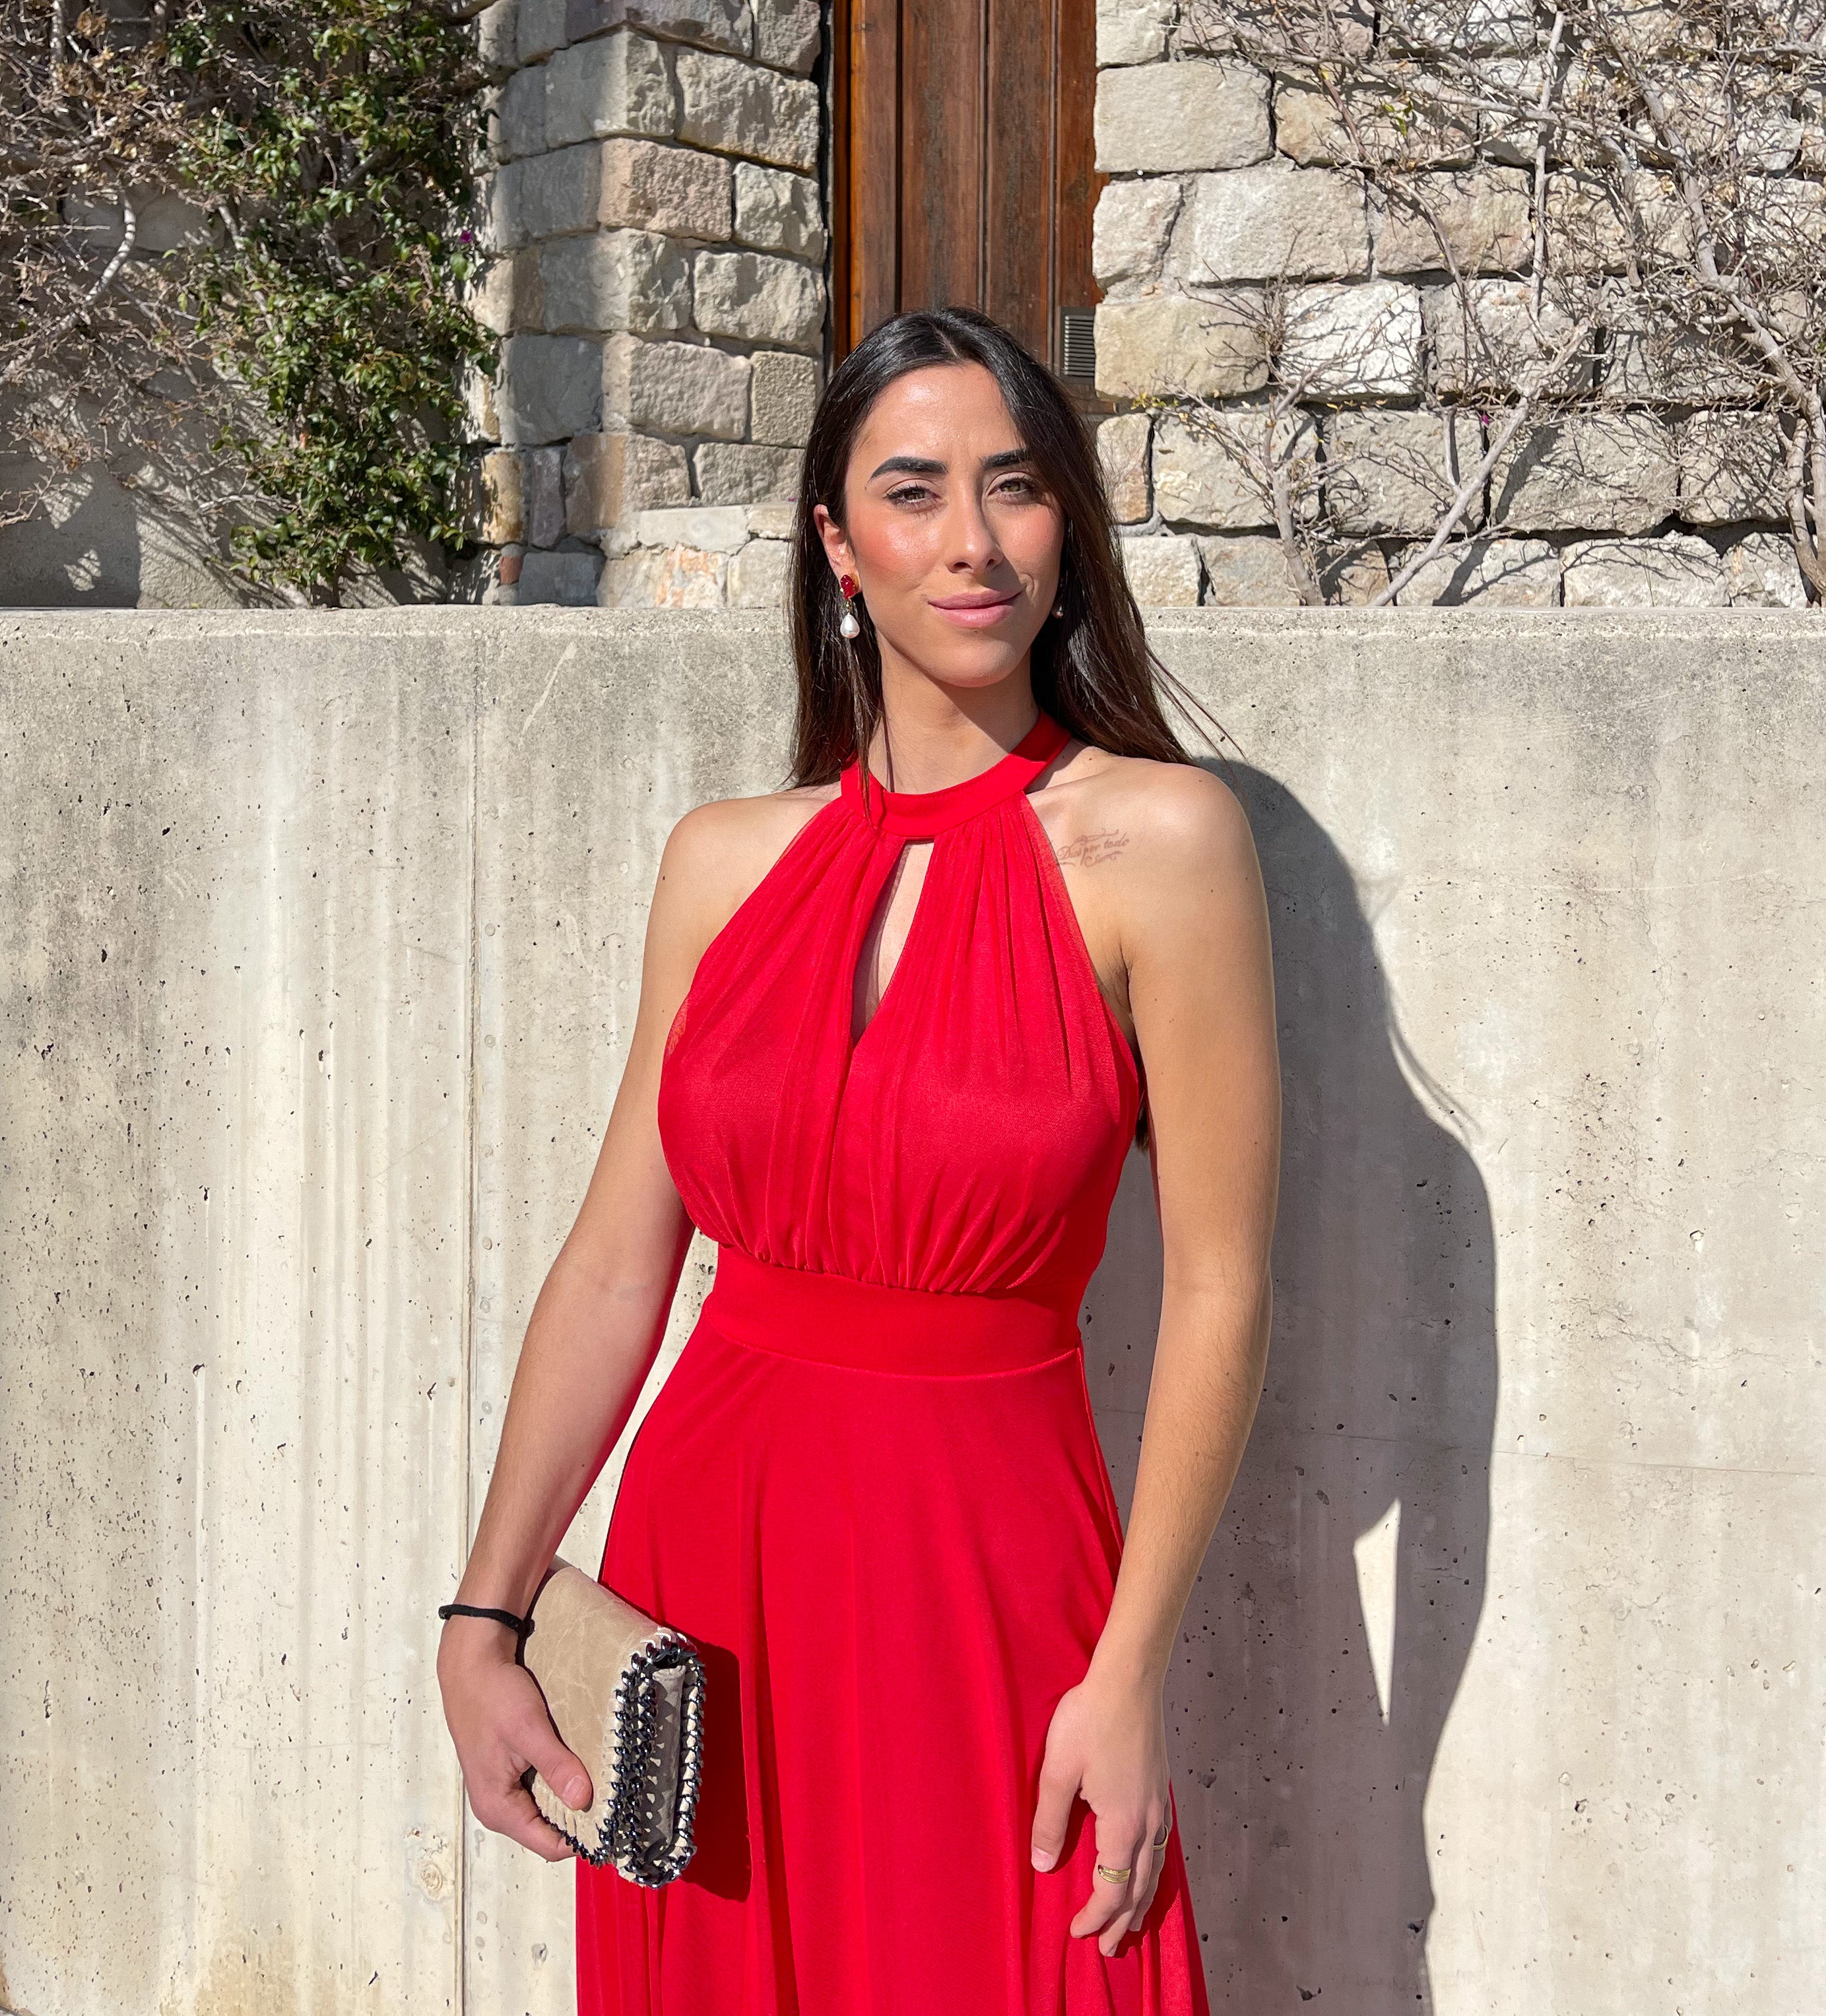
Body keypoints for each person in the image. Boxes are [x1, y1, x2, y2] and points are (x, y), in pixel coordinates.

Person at [437, 307, 1282, 2013]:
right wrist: (483, 1616)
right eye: (914, 491)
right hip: (718, 1579)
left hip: (994, 1587)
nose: (973, 541)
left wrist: (1132, 1674)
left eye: (1017, 488)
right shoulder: (721, 864)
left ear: (1069, 530)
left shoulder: (1163, 843)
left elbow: (1222, 1288)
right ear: (838, 541)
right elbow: (618, 1266)